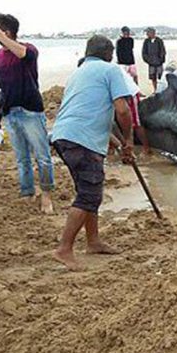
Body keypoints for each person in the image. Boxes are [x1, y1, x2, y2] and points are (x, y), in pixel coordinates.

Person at [50, 35, 134, 270]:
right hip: (81, 140)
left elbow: (91, 114)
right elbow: (122, 111)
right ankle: (64, 249)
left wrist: (118, 143)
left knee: (88, 191)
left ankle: (93, 241)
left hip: (64, 136)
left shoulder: (78, 73)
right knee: (89, 195)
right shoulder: (111, 70)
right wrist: (129, 140)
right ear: (110, 54)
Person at [0, 14, 54, 213]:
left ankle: (46, 195)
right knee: (21, 157)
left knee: (42, 156)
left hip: (30, 110)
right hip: (10, 111)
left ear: (7, 31)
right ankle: (27, 191)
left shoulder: (28, 48)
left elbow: (23, 54)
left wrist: (1, 37)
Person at [141, 27, 166, 92]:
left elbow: (163, 50)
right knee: (153, 77)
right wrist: (147, 60)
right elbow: (144, 52)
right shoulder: (146, 41)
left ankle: (161, 90)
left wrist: (161, 59)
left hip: (159, 62)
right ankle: (155, 90)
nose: (147, 34)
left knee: (161, 77)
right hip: (151, 62)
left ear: (153, 33)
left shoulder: (159, 40)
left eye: (148, 32)